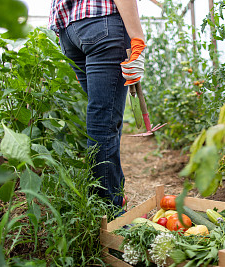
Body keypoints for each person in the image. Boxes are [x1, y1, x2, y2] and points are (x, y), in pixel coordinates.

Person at [48, 0, 146, 209]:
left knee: (104, 118)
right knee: (104, 123)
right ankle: (107, 209)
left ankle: (113, 195)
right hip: (102, 25)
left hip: (68, 31)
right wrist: (137, 39)